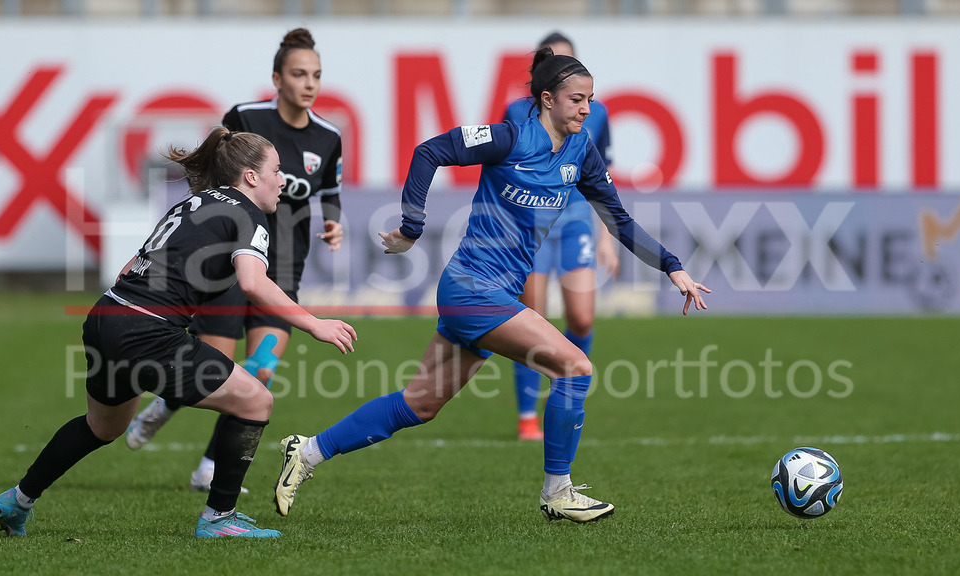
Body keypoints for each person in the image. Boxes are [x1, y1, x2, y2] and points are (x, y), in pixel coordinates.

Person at [271, 48, 709, 524]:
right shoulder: (508, 137)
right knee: (575, 368)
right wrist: (412, 228)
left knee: (419, 404)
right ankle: (558, 492)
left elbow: (618, 219)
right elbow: (429, 152)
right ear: (547, 100)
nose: (587, 109)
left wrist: (671, 266)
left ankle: (308, 451)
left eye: (590, 100)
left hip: (487, 294)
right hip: (472, 289)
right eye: (577, 100)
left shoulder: (581, 152)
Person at [0, 127, 357, 539]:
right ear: (251, 177)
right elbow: (253, 282)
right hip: (147, 330)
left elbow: (132, 265)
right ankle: (219, 519)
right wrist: (315, 324)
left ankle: (16, 501)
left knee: (103, 426)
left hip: (106, 315)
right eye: (276, 169)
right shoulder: (248, 213)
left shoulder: (193, 203)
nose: (283, 179)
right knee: (256, 401)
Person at [124, 28, 346, 494]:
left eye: (317, 75)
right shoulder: (246, 117)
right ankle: (165, 406)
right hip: (225, 266)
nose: (309, 83)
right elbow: (212, 175)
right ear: (277, 78)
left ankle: (208, 467)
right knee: (214, 370)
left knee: (261, 370)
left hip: (282, 270)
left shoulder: (329, 137)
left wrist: (334, 223)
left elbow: (330, 193)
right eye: (299, 74)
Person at [503, 31, 619, 441]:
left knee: (582, 317)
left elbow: (602, 176)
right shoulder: (516, 112)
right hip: (532, 229)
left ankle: (570, 399)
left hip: (573, 224)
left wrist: (606, 235)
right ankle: (526, 416)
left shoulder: (596, 113)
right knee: (531, 320)